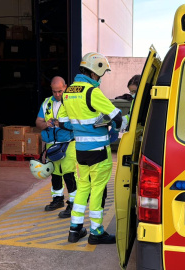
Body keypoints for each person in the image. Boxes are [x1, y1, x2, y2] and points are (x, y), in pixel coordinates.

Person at [57, 52, 122, 245]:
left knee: (83, 187)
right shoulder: (91, 92)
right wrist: (101, 124)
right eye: (100, 75)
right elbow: (116, 116)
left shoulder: (68, 92)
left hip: (80, 150)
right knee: (98, 190)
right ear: (95, 72)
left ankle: (74, 230)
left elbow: (62, 122)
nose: (100, 79)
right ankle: (96, 232)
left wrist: (81, 127)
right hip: (99, 151)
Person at [35, 76, 78, 218]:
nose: (57, 94)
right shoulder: (47, 103)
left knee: (69, 174)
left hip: (68, 144)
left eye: (60, 91)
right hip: (51, 145)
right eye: (54, 92)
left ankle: (73, 204)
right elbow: (38, 122)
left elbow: (77, 123)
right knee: (55, 174)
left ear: (65, 87)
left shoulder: (71, 102)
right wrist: (45, 124)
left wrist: (61, 124)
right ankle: (58, 199)